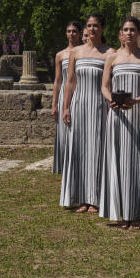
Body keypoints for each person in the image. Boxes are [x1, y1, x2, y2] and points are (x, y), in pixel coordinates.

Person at [99, 16, 140, 230]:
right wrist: (111, 101)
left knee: (138, 164)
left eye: (133, 29)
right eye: (126, 29)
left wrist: (136, 101)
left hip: (139, 116)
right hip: (117, 117)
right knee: (118, 162)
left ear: (139, 33)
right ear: (120, 34)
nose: (129, 33)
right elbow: (105, 86)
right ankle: (121, 213)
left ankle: (138, 214)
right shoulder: (112, 58)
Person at [61, 13, 111, 214]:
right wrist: (66, 106)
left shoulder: (110, 53)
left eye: (96, 26)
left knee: (98, 150)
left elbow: (110, 83)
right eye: (89, 26)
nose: (92, 29)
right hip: (79, 104)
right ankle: (82, 197)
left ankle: (97, 198)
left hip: (100, 106)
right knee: (79, 149)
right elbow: (70, 81)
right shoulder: (76, 52)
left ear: (103, 28)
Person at [51, 21, 82, 175]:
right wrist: (54, 104)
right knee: (64, 132)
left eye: (75, 31)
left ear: (80, 33)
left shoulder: (83, 52)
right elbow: (58, 81)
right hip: (65, 93)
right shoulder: (60, 55)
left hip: (81, 92)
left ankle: (77, 165)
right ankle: (65, 167)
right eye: (69, 31)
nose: (71, 34)